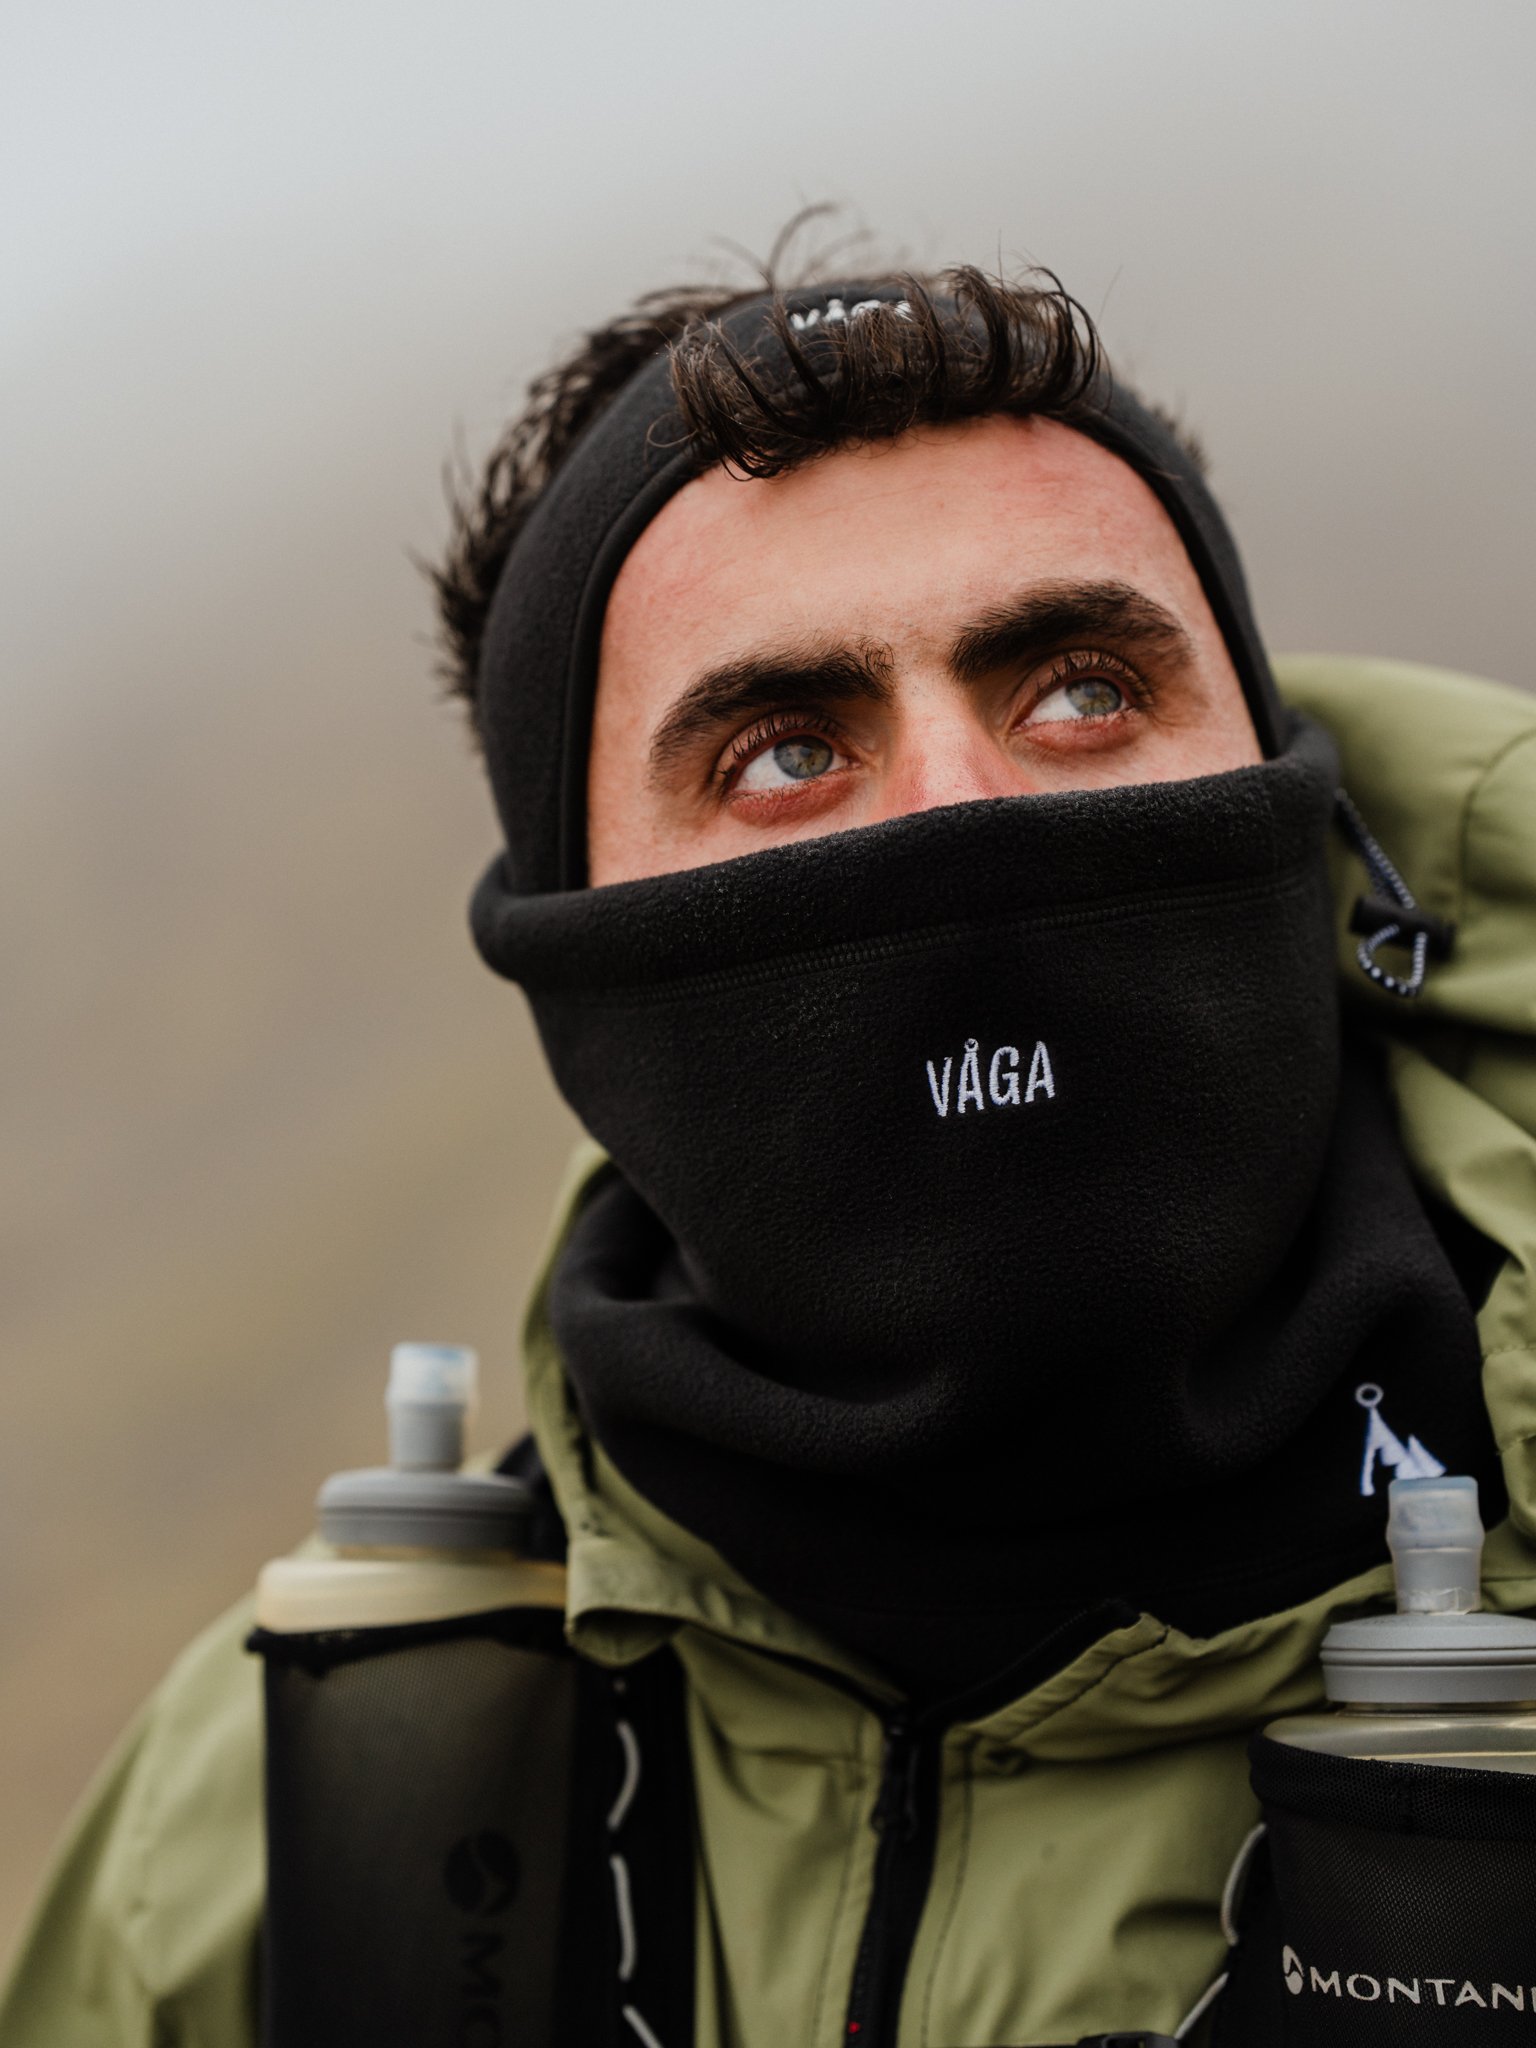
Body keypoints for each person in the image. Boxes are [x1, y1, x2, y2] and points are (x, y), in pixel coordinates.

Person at [5, 249, 1536, 2048]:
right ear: (587, 978)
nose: (967, 816)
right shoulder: (262, 1835)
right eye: (789, 747)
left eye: (1079, 691)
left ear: (1304, 826)